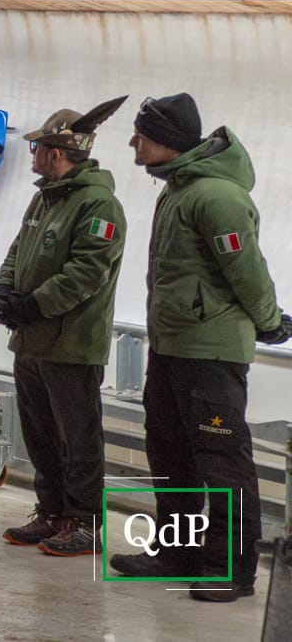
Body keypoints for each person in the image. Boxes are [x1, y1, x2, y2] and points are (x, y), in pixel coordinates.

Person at [111, 93, 291, 602]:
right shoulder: (178, 189)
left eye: (142, 134)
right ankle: (179, 552)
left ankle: (230, 570)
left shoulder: (215, 196)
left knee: (221, 461)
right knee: (170, 453)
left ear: (167, 140)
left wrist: (269, 322)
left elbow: (247, 271)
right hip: (173, 346)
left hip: (210, 352)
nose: (133, 141)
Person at [0, 96, 128, 557]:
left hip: (70, 344)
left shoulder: (99, 205)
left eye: (36, 148)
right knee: (41, 433)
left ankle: (83, 522)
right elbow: (18, 250)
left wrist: (34, 305)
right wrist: (4, 291)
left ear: (54, 154)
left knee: (77, 439)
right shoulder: (44, 198)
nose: (32, 156)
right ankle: (51, 512)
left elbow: (87, 273)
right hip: (32, 341)